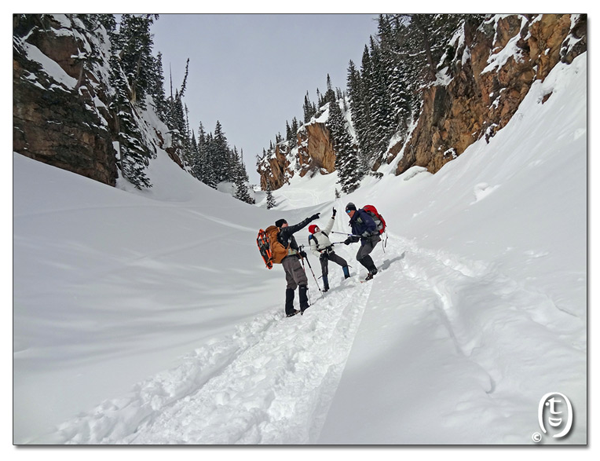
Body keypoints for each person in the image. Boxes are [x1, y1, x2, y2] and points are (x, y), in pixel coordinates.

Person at [275, 213, 320, 317]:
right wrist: (310, 219)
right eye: (285, 222)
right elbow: (298, 226)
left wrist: (299, 254)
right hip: (291, 260)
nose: (287, 224)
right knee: (302, 280)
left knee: (291, 284)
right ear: (282, 225)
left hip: (285, 262)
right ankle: (304, 306)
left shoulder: (279, 236)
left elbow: (288, 249)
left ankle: (289, 310)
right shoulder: (284, 231)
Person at [308, 209, 350, 292]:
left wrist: (333, 216)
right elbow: (313, 250)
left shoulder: (324, 233)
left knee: (343, 262)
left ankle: (347, 277)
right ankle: (326, 287)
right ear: (313, 231)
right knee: (325, 271)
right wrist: (320, 255)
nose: (318, 229)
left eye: (318, 227)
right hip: (323, 256)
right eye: (316, 228)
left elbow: (329, 225)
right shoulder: (313, 239)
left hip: (330, 253)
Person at [344, 202, 381, 281]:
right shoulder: (353, 222)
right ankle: (370, 270)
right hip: (365, 240)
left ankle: (373, 270)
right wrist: (350, 240)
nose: (348, 213)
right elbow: (356, 237)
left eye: (348, 211)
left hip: (373, 237)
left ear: (353, 210)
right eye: (346, 212)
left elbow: (372, 225)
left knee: (364, 254)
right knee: (359, 257)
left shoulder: (362, 215)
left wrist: (366, 233)